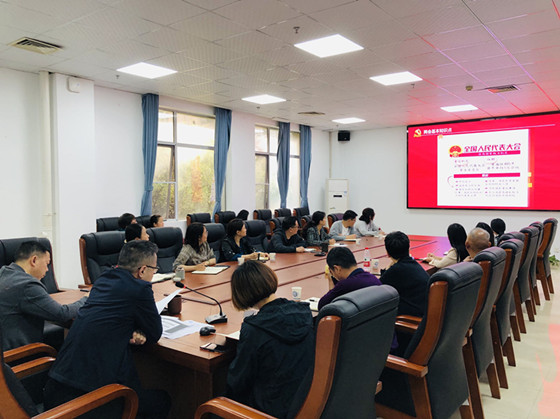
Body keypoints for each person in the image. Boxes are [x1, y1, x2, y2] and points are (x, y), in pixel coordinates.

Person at [44, 241, 170, 419]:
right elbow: (154, 333)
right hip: (87, 401)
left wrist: (128, 328)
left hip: (56, 388)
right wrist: (136, 329)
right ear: (142, 271)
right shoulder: (140, 288)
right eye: (154, 269)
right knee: (162, 401)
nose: (153, 273)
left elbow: (110, 316)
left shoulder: (103, 279)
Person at [227, 261, 314, 418]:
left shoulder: (254, 329)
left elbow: (238, 381)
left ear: (242, 293)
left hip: (268, 411)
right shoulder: (304, 313)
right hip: (305, 403)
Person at [0, 241, 86, 351]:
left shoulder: (3, 272)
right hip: (17, 356)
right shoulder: (27, 285)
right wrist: (86, 299)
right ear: (34, 260)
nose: (47, 270)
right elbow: (62, 314)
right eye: (46, 264)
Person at [380, 231, 429, 317]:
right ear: (408, 249)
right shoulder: (413, 263)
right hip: (423, 310)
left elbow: (379, 287)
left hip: (411, 316)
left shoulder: (396, 270)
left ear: (388, 253)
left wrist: (389, 267)